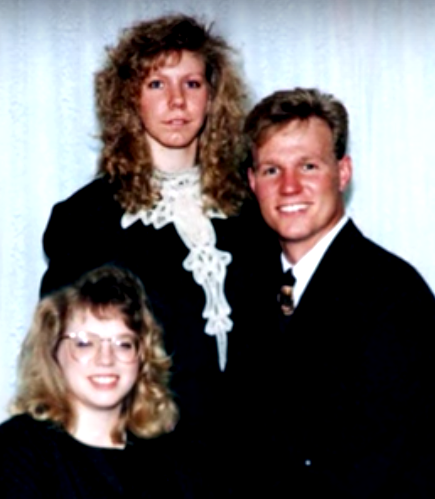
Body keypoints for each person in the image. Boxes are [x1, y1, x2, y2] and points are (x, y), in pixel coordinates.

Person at [37, 13, 265, 497]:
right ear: (130, 98)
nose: (177, 101)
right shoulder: (86, 221)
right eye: (157, 83)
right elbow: (68, 368)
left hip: (251, 471)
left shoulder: (252, 211)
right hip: (143, 475)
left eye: (192, 82)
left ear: (213, 95)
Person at [239, 88, 435, 498]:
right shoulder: (251, 290)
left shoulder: (394, 299)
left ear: (342, 172)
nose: (289, 187)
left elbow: (373, 470)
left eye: (308, 166)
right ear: (252, 182)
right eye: (271, 170)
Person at [0, 265, 186, 498]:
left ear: (142, 358)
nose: (106, 359)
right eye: (84, 343)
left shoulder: (166, 458)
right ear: (53, 351)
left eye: (123, 343)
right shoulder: (21, 447)